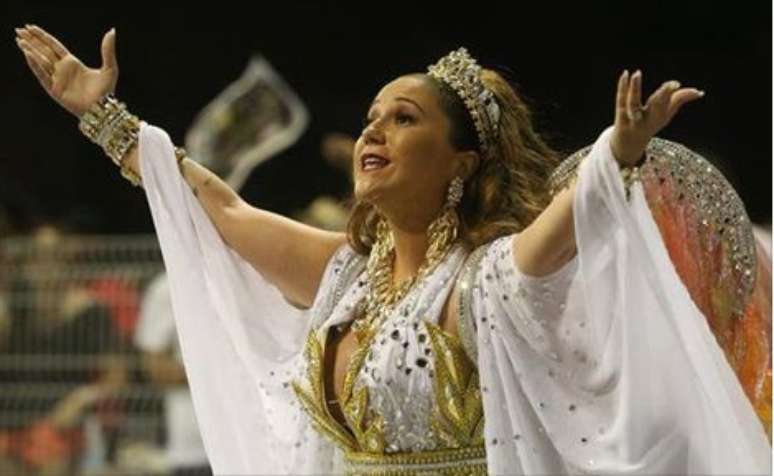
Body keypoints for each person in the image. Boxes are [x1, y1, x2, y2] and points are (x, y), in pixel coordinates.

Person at [14, 25, 771, 475]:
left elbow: (564, 223)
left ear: (462, 162)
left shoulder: (489, 282)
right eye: (373, 117)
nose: (374, 131)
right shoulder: (344, 274)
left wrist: (619, 151)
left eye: (404, 119)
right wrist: (105, 117)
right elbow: (221, 207)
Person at [134, 273, 211, 476]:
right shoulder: (165, 288)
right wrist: (222, 373)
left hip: (259, 441)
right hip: (194, 447)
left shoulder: (256, 276)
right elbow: (156, 369)